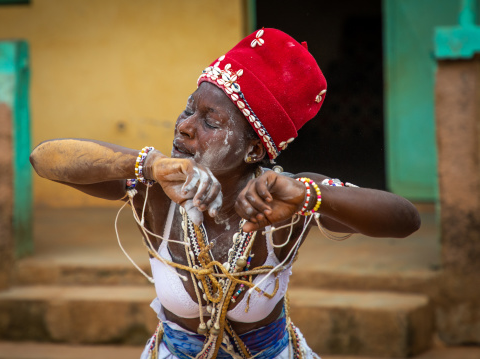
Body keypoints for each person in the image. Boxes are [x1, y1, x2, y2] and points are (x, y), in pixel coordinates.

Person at [30, 28, 421, 359]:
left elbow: (405, 219)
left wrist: (307, 196)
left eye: (210, 122)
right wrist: (148, 165)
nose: (185, 128)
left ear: (253, 150)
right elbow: (44, 158)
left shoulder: (285, 197)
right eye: (188, 111)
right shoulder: (156, 189)